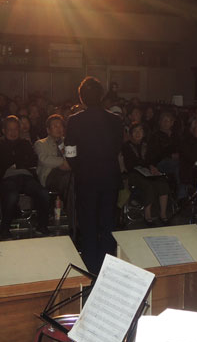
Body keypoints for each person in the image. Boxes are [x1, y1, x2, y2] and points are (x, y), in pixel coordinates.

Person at [65, 77, 124, 273]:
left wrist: (79, 168)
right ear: (101, 96)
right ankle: (107, 267)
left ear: (81, 97)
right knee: (108, 222)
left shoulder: (74, 120)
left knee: (88, 222)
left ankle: (90, 267)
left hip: (86, 178)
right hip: (109, 176)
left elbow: (70, 152)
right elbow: (117, 148)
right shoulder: (115, 120)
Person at [0, 116, 50, 239]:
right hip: (8, 177)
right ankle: (4, 229)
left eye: (16, 129)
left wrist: (16, 163)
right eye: (10, 129)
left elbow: (32, 160)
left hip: (26, 176)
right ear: (4, 130)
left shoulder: (25, 143)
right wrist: (20, 160)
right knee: (12, 195)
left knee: (43, 193)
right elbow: (3, 162)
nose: (13, 132)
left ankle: (42, 226)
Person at [122, 123, 170, 224]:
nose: (138, 133)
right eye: (135, 131)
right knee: (148, 186)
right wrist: (146, 165)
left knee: (162, 183)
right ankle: (147, 214)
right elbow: (130, 164)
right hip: (134, 173)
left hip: (147, 172)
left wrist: (152, 166)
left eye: (140, 131)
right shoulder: (126, 146)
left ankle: (163, 213)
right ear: (131, 133)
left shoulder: (147, 145)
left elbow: (152, 159)